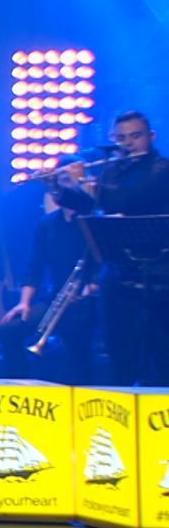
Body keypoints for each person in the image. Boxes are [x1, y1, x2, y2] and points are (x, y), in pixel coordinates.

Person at [55, 111, 169, 385]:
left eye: (135, 136)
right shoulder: (112, 171)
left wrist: (84, 182)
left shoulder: (161, 170)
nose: (128, 143)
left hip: (159, 276)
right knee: (120, 351)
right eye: (121, 138)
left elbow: (129, 200)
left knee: (160, 354)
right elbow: (91, 207)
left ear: (151, 137)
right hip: (119, 273)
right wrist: (64, 188)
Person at [0, 158, 96, 383]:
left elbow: (103, 264)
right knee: (9, 330)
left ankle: (81, 389)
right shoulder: (47, 224)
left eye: (69, 181)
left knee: (76, 329)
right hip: (56, 297)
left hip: (87, 299)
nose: (62, 188)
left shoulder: (93, 219)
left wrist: (89, 288)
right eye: (60, 181)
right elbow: (34, 267)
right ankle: (18, 387)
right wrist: (24, 302)